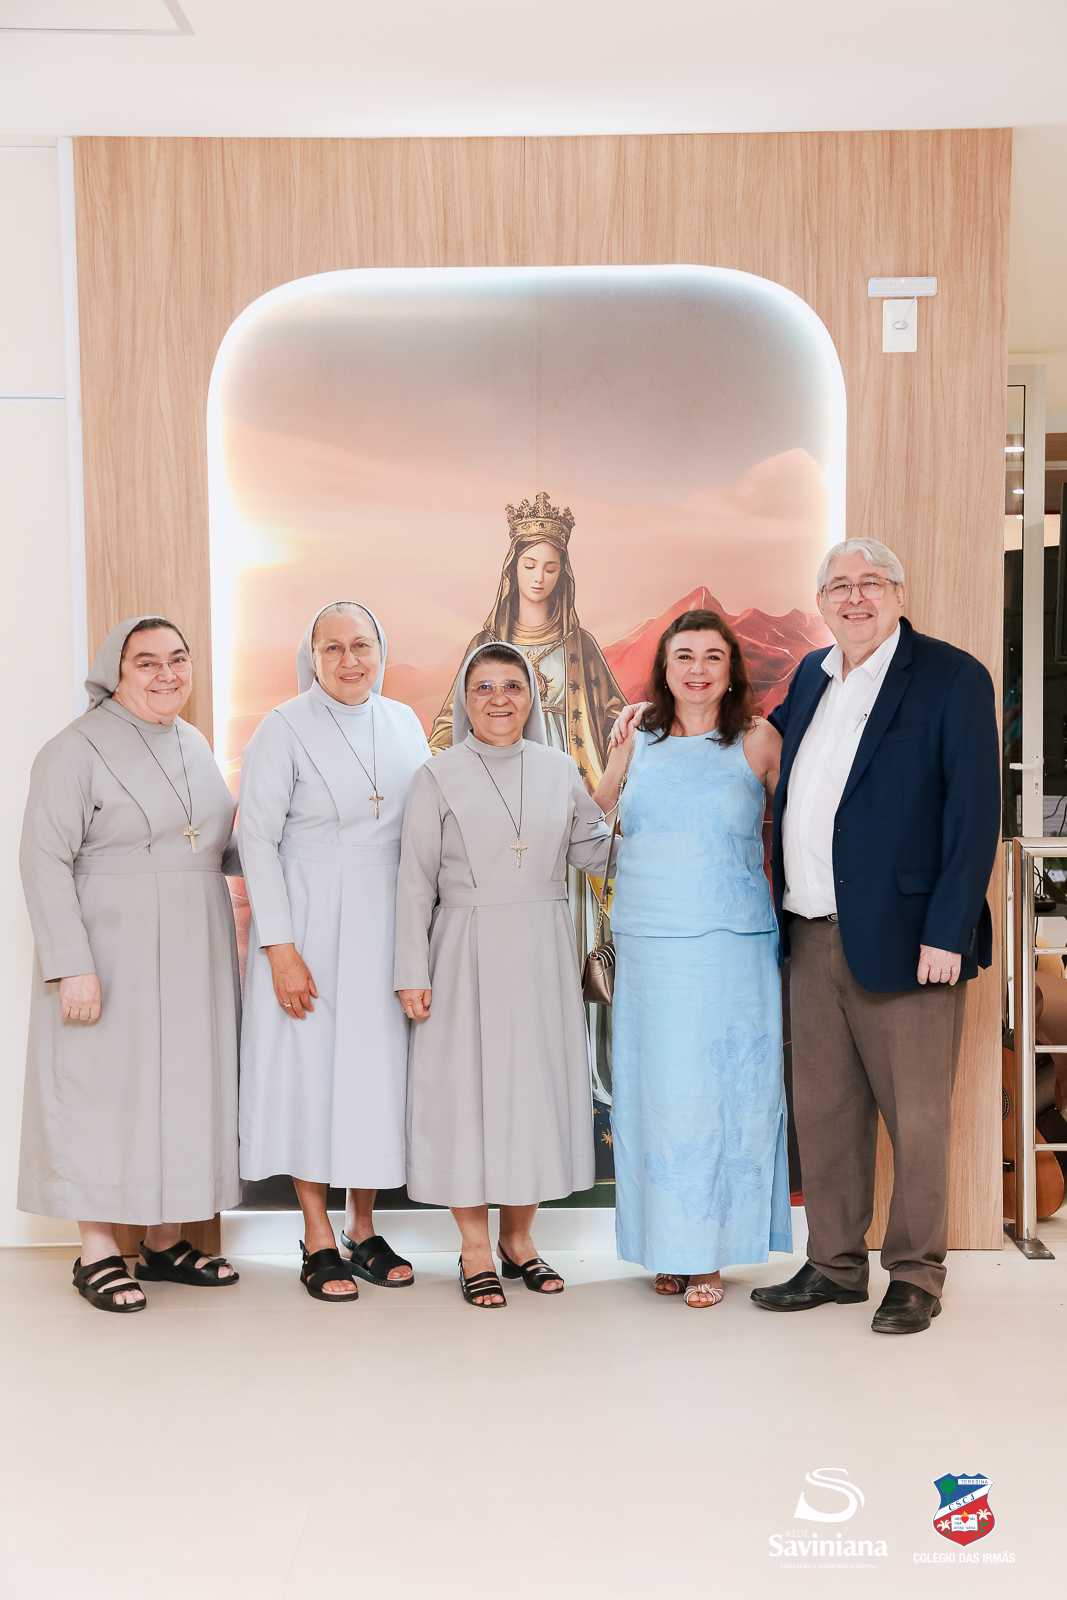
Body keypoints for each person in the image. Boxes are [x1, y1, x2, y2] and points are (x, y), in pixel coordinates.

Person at [748, 538, 1000, 1334]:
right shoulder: (810, 677)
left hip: (911, 938)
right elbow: (756, 751)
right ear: (820, 600)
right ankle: (832, 1265)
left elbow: (974, 813)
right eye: (839, 585)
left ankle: (916, 1275)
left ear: (898, 592)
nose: (854, 597)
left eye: (870, 582)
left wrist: (948, 930)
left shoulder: (950, 676)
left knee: (916, 1118)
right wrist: (656, 729)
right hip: (810, 933)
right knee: (824, 1114)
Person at [18, 616, 241, 1313]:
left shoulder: (193, 742)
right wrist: (71, 965)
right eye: (146, 662)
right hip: (110, 948)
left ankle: (164, 1240)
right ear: (114, 672)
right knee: (103, 1091)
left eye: (177, 659)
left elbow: (217, 841)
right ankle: (97, 1250)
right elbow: (43, 860)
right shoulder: (74, 749)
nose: (166, 674)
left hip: (193, 950)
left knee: (180, 1088)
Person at [395, 643, 616, 1307]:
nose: (498, 699)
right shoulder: (436, 776)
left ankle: (519, 1239)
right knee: (465, 1095)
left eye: (512, 686)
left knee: (531, 1092)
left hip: (542, 950)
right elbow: (413, 883)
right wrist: (410, 970)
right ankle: (473, 1247)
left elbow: (594, 852)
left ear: (530, 697)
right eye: (484, 687)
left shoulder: (557, 769)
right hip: (461, 949)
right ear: (466, 700)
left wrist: (649, 805)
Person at [594, 610, 792, 1309]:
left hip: (731, 945)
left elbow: (801, 832)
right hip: (650, 943)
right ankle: (666, 1247)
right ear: (665, 667)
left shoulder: (758, 739)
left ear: (731, 668)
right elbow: (596, 820)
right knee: (657, 1095)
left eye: (713, 655)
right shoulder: (636, 738)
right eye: (684, 655)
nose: (698, 669)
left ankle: (708, 1253)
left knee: (724, 1095)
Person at [238, 602, 430, 1302]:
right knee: (311, 1075)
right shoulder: (283, 726)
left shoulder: (404, 722)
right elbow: (257, 839)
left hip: (384, 922)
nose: (350, 660)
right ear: (312, 656)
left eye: (361, 645)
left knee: (373, 1076)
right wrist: (280, 948)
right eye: (333, 648)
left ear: (381, 649)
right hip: (309, 922)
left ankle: (363, 1226)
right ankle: (316, 1232)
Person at [429, 492, 625, 1113]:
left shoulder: (580, 647)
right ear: (511, 569)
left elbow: (613, 717)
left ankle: (576, 1071)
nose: (538, 577)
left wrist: (626, 740)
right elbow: (446, 725)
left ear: (564, 574)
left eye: (550, 566)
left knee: (565, 935)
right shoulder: (485, 644)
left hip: (560, 803)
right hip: (489, 811)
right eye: (529, 564)